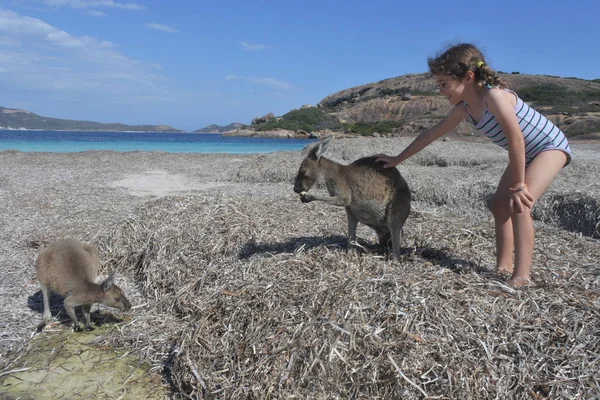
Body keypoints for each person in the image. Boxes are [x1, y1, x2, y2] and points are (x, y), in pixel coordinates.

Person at [376, 43, 572, 287]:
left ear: (468, 77)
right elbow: (431, 134)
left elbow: (516, 139)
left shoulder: (495, 96)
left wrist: (520, 184)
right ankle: (503, 266)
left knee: (519, 204)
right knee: (499, 206)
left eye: (444, 84)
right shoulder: (464, 109)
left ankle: (522, 276)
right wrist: (397, 159)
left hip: (548, 147)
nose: (440, 90)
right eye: (438, 84)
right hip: (522, 152)